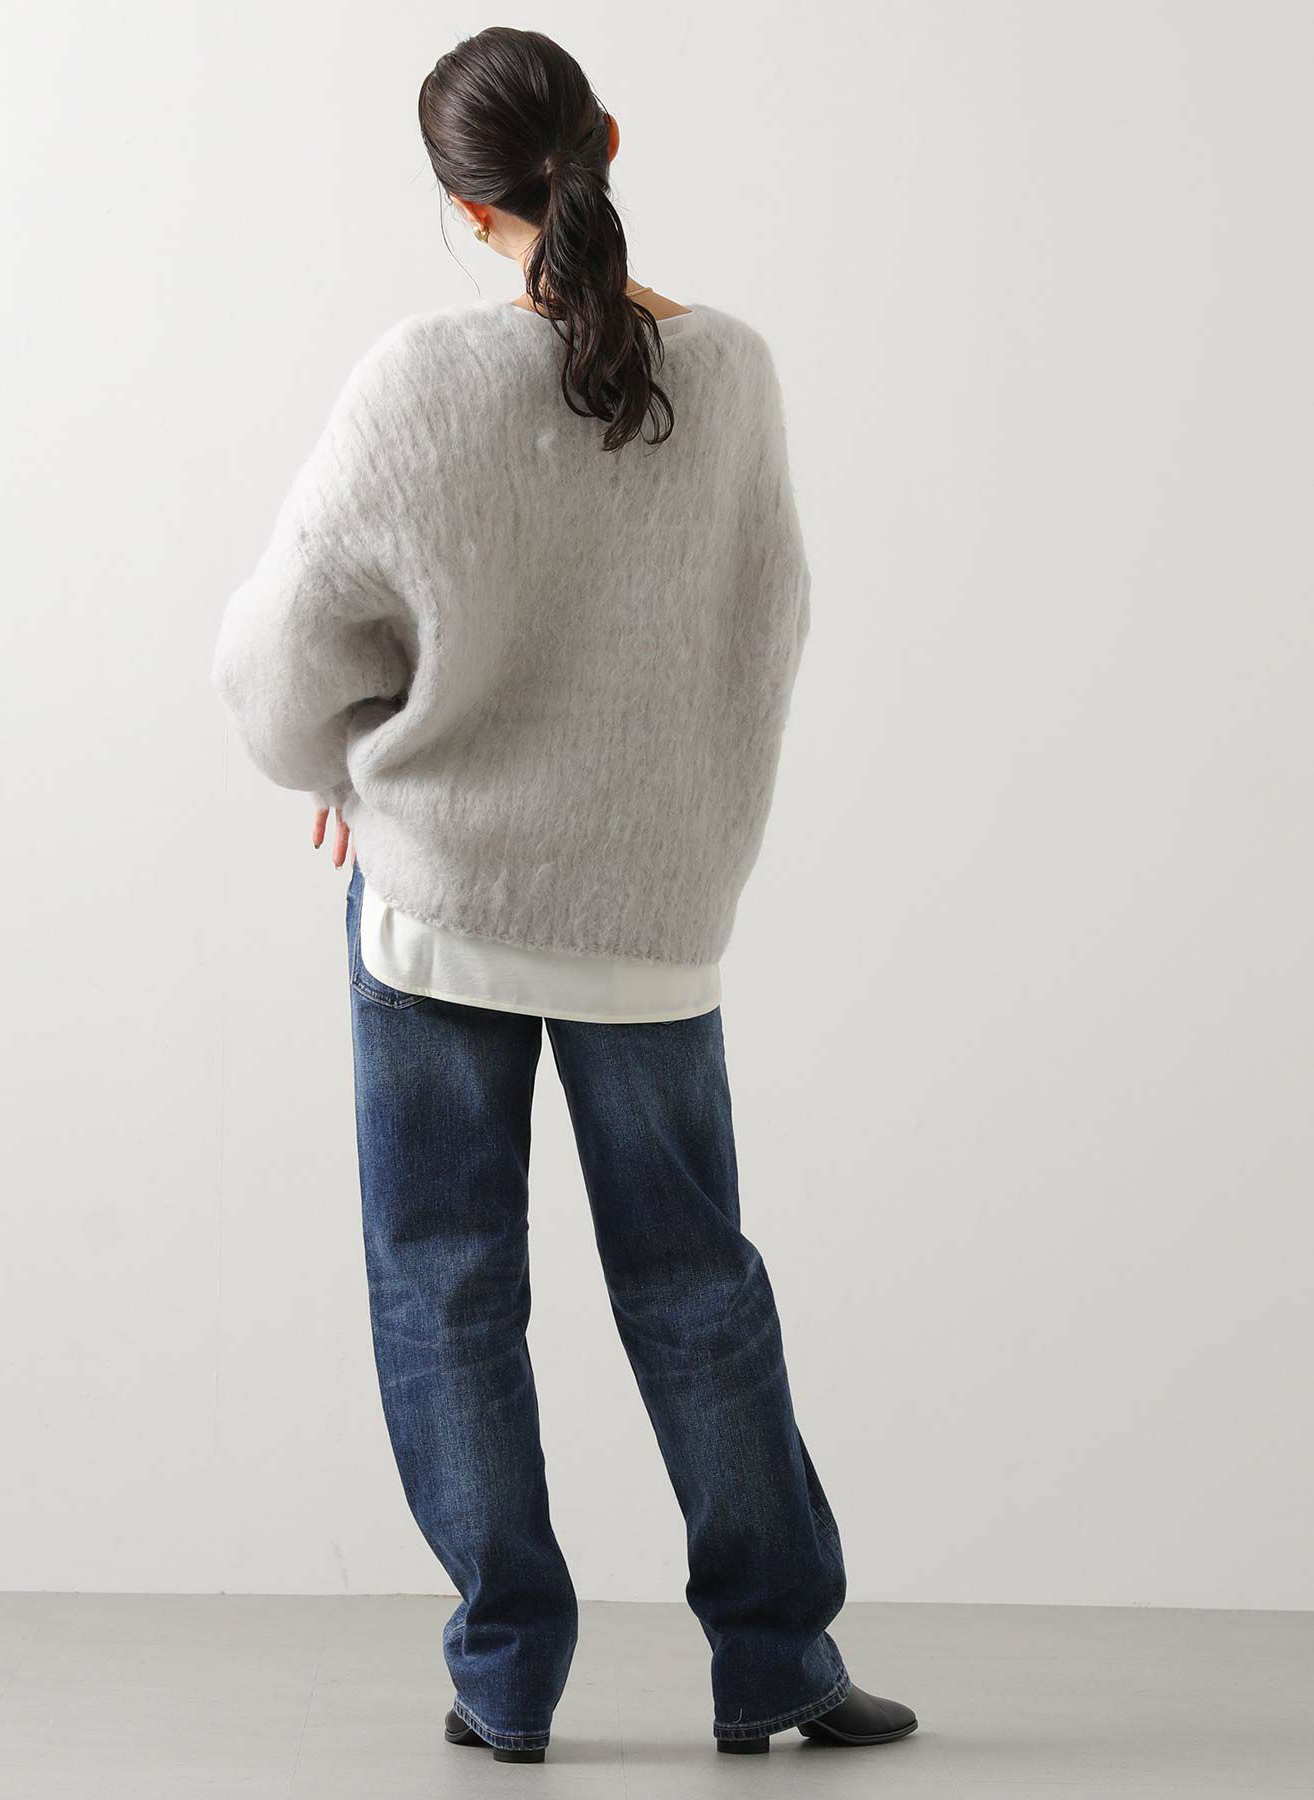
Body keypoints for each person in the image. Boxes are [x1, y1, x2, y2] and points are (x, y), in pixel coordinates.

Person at [212, 24, 916, 1768]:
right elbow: (771, 628)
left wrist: (341, 767)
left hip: (436, 900)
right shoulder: (732, 374)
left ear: (466, 208)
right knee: (697, 1284)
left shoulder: (421, 379)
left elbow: (281, 648)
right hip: (653, 919)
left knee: (447, 1289)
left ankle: (508, 1679)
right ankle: (777, 1662)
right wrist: (686, 838)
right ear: (608, 137)